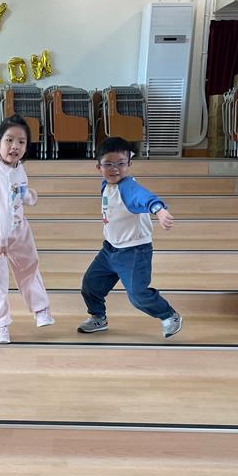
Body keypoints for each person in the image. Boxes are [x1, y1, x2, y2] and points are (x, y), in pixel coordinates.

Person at [77, 137, 182, 339]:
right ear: (98, 167)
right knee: (90, 285)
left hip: (134, 252)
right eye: (108, 164)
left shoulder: (128, 187)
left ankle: (169, 315)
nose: (115, 169)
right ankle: (98, 317)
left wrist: (159, 210)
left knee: (138, 296)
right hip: (110, 249)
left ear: (129, 164)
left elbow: (144, 197)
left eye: (121, 164)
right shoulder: (106, 185)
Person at [0, 114, 53, 344]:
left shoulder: (18, 168)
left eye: (21, 142)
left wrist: (29, 196)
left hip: (17, 227)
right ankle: (0, 326)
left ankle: (40, 309)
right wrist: (0, 240)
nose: (15, 146)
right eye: (9, 140)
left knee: (29, 266)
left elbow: (18, 191)